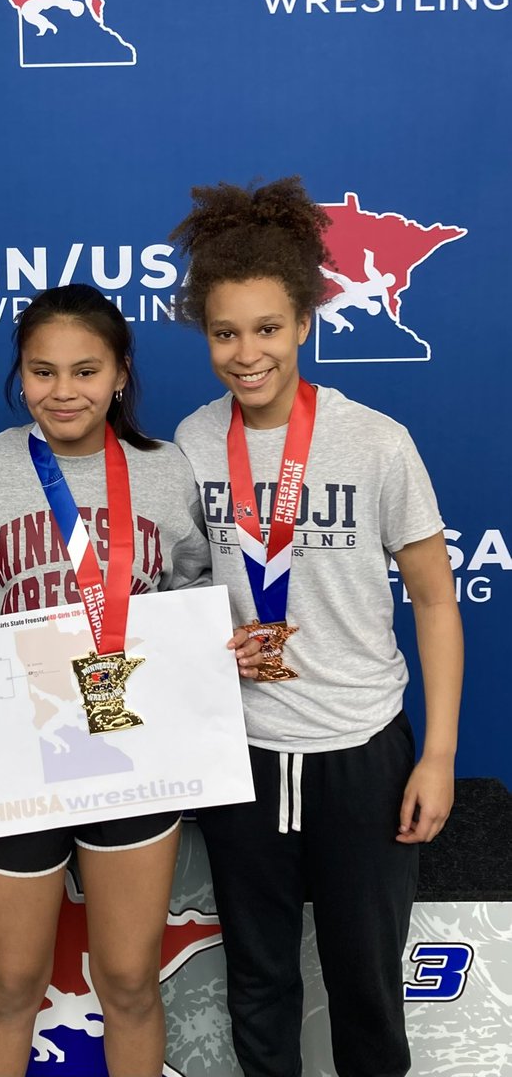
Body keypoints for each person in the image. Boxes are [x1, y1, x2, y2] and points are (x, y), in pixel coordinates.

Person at [0, 284, 259, 1077]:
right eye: (42, 372)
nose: (64, 391)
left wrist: (217, 642)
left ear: (120, 372)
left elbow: (194, 592)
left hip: (137, 753)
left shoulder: (164, 474)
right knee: (13, 980)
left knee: (128, 979)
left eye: (85, 371)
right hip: (16, 753)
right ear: (20, 376)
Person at [170, 177, 464, 1077]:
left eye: (267, 328)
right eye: (226, 333)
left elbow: (435, 598)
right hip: (242, 756)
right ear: (205, 336)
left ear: (305, 323)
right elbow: (175, 599)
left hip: (362, 752)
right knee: (257, 983)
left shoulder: (374, 441)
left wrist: (438, 756)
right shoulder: (187, 441)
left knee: (366, 984)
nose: (246, 352)